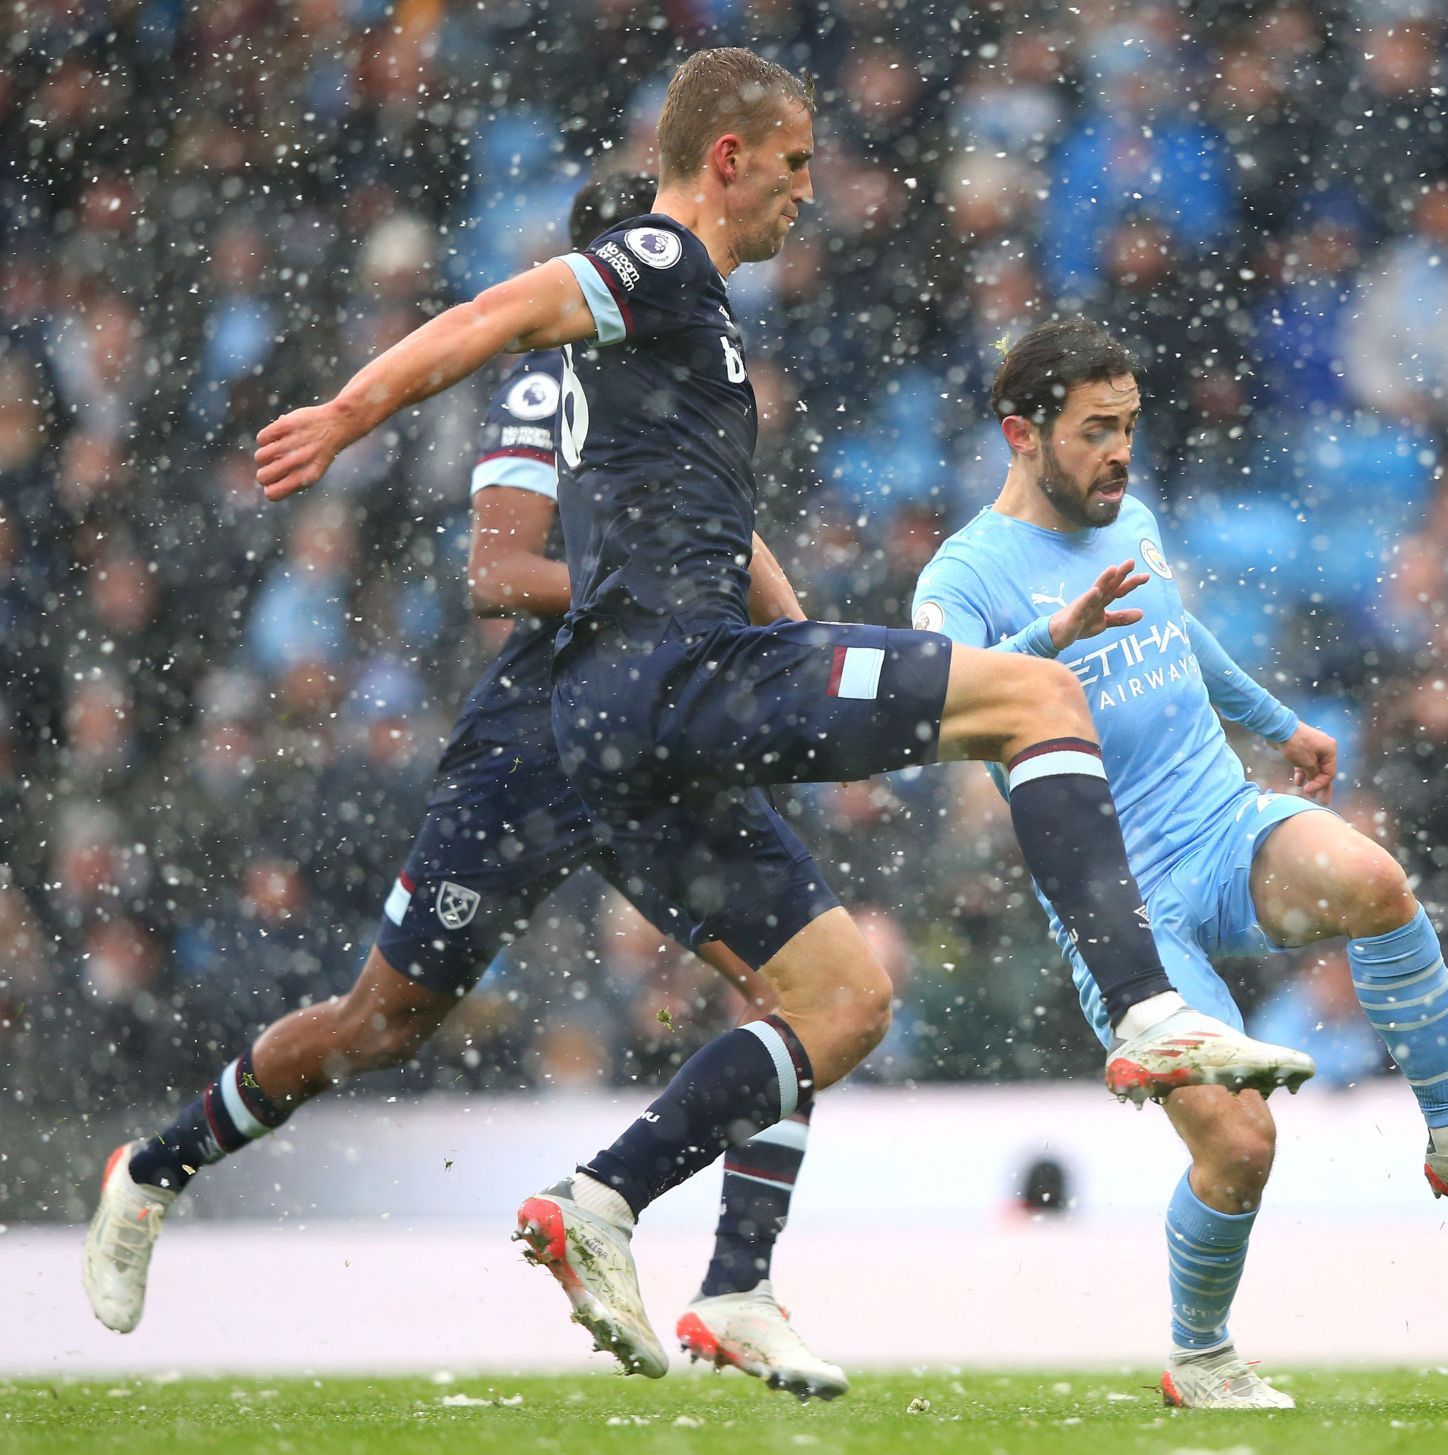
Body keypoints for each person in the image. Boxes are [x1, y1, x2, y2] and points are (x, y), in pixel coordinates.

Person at [250, 48, 1313, 1379]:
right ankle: (1146, 1008)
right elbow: (494, 316)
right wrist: (348, 413)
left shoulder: (702, 316)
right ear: (732, 157)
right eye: (799, 162)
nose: (814, 191)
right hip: (683, 682)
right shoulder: (657, 259)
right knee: (1035, 695)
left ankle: (608, 1201)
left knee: (842, 995)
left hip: (671, 693)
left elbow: (704, 519)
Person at [83, 174, 848, 1400]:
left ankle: (738, 1284)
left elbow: (733, 553)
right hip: (539, 738)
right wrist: (643, 597)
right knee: (381, 1024)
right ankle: (159, 1166)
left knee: (801, 996)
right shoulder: (553, 373)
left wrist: (790, 664)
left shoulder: (688, 384)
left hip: (655, 732)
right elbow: (499, 571)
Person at [911, 319, 1448, 1412]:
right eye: (1093, 431)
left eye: (1128, 426)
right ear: (1021, 434)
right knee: (1241, 1145)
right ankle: (1202, 1356)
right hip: (1122, 908)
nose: (1120, 451)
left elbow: (1180, 634)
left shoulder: (1139, 519)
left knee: (1378, 884)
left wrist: (1279, 721)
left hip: (1222, 824)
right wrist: (1048, 641)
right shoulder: (964, 576)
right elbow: (929, 716)